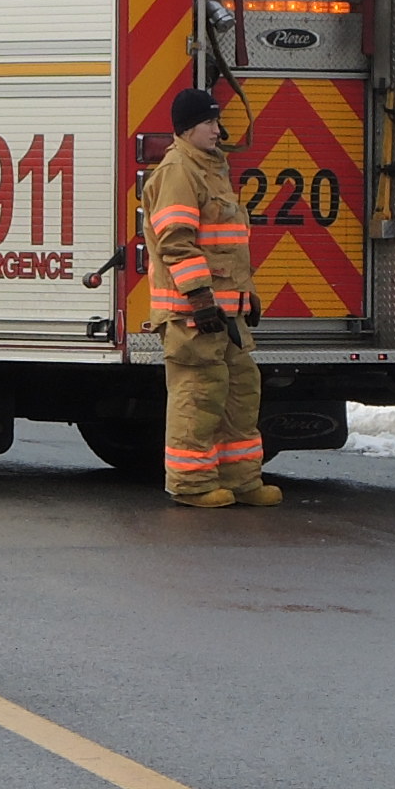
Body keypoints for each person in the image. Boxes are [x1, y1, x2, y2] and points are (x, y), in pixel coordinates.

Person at [147, 82, 276, 508]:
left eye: (217, 121)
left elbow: (228, 245)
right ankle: (192, 484)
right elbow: (176, 242)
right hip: (192, 314)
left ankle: (241, 480)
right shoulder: (177, 172)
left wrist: (247, 294)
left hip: (224, 315)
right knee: (199, 396)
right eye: (209, 121)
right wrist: (200, 298)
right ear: (186, 129)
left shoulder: (210, 170)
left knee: (240, 390)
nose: (217, 130)